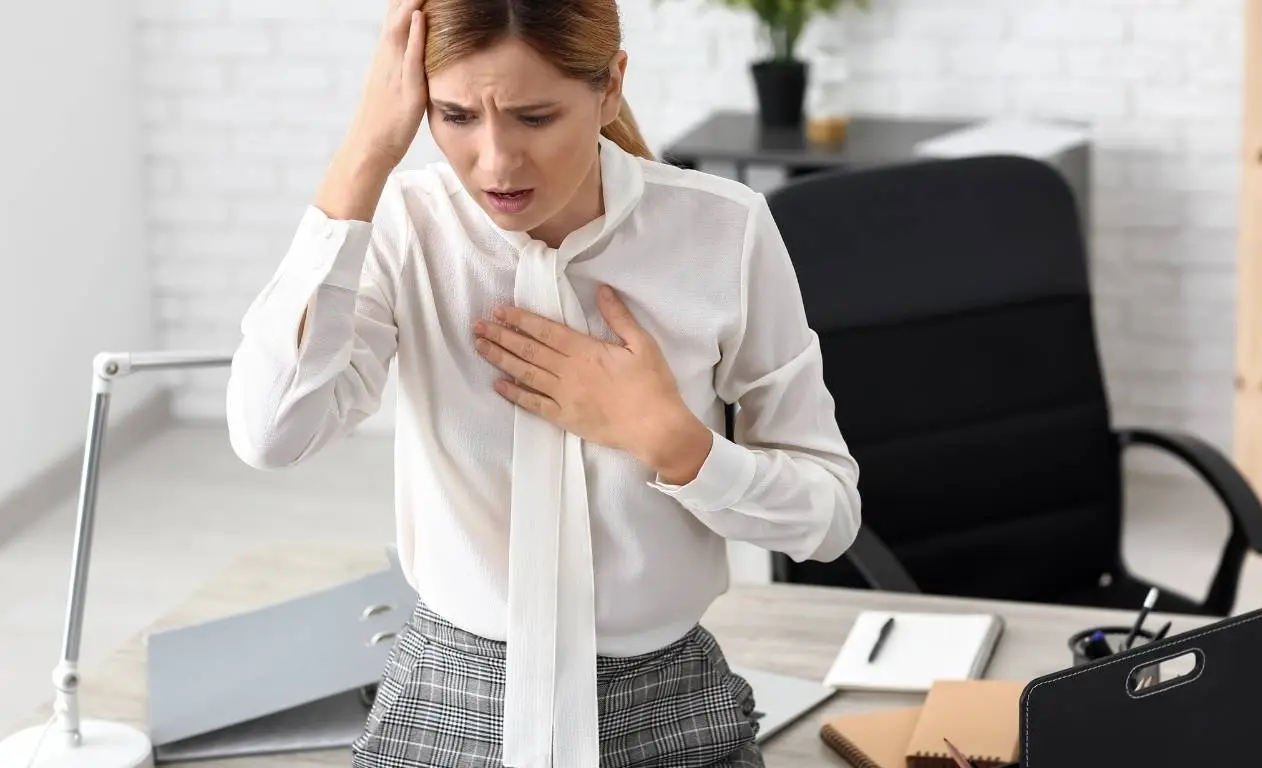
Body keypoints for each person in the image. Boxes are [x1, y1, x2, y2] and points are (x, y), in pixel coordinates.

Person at [223, 0, 861, 766]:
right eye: (454, 115)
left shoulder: (724, 230)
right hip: (444, 702)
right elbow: (270, 434)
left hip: (668, 711)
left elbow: (828, 519)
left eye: (534, 117)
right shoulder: (404, 225)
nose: (495, 163)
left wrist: (676, 444)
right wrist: (364, 155)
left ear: (610, 86)